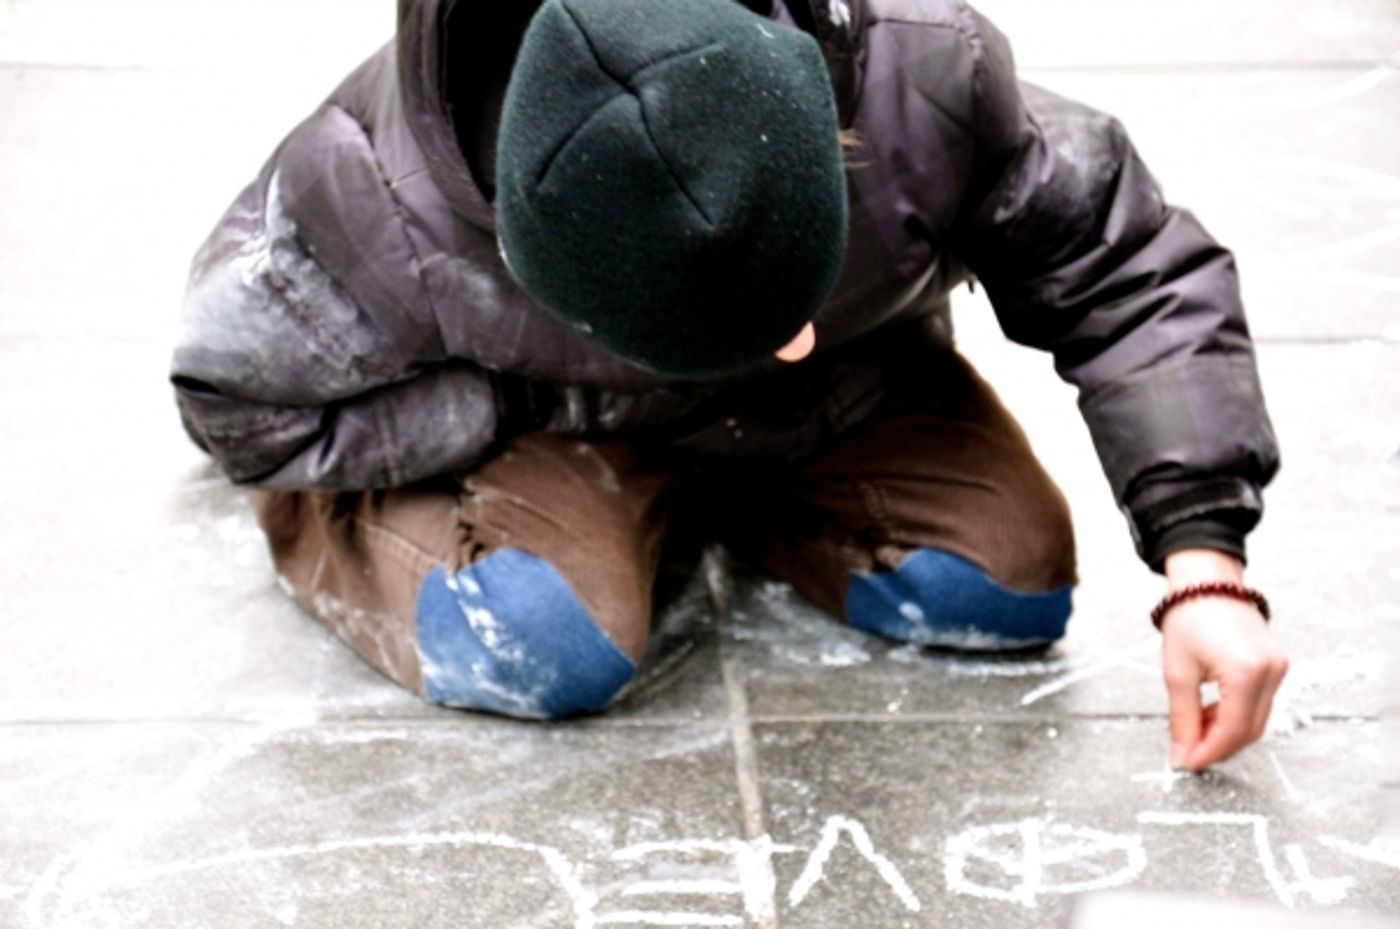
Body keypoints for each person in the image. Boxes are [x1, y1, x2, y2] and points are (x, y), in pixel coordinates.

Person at [171, 0, 1287, 771]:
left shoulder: (920, 69)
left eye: (793, 286)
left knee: (1000, 589)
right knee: (536, 641)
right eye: (755, 323)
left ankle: (710, 494)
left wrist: (1206, 567)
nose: (785, 340)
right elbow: (236, 401)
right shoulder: (381, 192)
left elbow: (1127, 264)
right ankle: (436, 518)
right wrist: (520, 403)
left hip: (846, 388)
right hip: (553, 425)